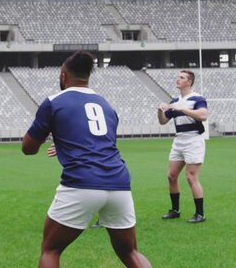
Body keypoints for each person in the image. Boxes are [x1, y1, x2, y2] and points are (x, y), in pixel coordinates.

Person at [22, 51, 151, 268]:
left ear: (63, 76)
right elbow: (98, 141)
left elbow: (28, 148)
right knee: (130, 252)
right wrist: (64, 141)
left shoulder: (54, 102)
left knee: (51, 250)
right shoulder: (106, 104)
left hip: (82, 182)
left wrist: (50, 134)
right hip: (119, 183)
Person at [157, 70, 208, 224]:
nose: (177, 79)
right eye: (178, 77)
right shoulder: (175, 100)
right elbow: (163, 121)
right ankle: (175, 210)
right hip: (179, 140)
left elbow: (203, 115)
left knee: (191, 176)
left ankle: (200, 214)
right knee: (171, 176)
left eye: (182, 77)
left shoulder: (197, 98)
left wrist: (182, 109)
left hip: (193, 140)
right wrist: (160, 111)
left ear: (189, 82)